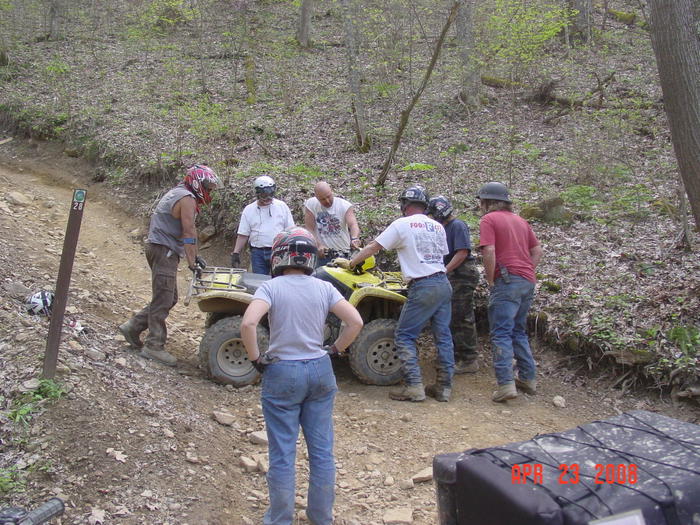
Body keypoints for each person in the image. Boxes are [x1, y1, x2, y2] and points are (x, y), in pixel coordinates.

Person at [241, 227, 363, 525]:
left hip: (282, 371)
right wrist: (334, 350)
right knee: (322, 451)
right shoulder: (324, 287)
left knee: (283, 452)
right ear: (310, 258)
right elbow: (355, 322)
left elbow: (248, 324)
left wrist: (257, 359)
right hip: (320, 370)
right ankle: (321, 517)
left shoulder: (271, 288)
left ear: (278, 257)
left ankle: (280, 519)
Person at [346, 186, 454, 402]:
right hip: (443, 283)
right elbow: (440, 254)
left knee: (404, 335)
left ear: (405, 205)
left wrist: (352, 262)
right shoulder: (437, 226)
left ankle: (414, 386)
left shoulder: (401, 224)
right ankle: (444, 388)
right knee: (443, 337)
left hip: (423, 285)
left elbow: (373, 248)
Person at [119, 164, 220, 366]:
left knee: (169, 296)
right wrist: (192, 262)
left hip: (159, 247)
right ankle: (154, 346)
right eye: (207, 187)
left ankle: (133, 326)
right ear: (197, 183)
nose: (209, 191)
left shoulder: (177, 192)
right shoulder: (187, 199)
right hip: (164, 249)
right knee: (163, 298)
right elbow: (189, 232)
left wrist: (194, 256)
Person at [476, 182, 543, 402]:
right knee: (518, 331)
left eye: (481, 202)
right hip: (527, 281)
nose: (480, 206)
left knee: (501, 333)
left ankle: (505, 384)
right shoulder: (521, 221)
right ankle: (528, 378)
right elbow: (537, 250)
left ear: (487, 202)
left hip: (506, 280)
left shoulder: (489, 219)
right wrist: (526, 272)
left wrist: (490, 278)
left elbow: (489, 249)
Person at [427, 196, 480, 374]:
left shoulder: (457, 226)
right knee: (448, 316)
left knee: (461, 316)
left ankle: (469, 358)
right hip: (450, 274)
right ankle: (454, 354)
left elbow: (462, 253)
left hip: (462, 275)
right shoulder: (441, 228)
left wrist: (444, 270)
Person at [230, 175, 294, 274]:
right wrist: (236, 253)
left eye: (271, 194)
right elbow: (243, 234)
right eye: (264, 195)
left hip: (279, 251)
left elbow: (291, 231)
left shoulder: (282, 206)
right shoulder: (249, 210)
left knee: (278, 280)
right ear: (257, 194)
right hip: (258, 253)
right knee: (258, 282)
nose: (268, 198)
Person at [303, 181, 362, 267]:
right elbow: (309, 228)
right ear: (316, 198)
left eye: (329, 196)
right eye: (322, 199)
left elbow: (353, 224)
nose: (327, 201)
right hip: (322, 254)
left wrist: (354, 238)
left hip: (342, 253)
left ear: (332, 192)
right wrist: (318, 245)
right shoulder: (311, 204)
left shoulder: (344, 205)